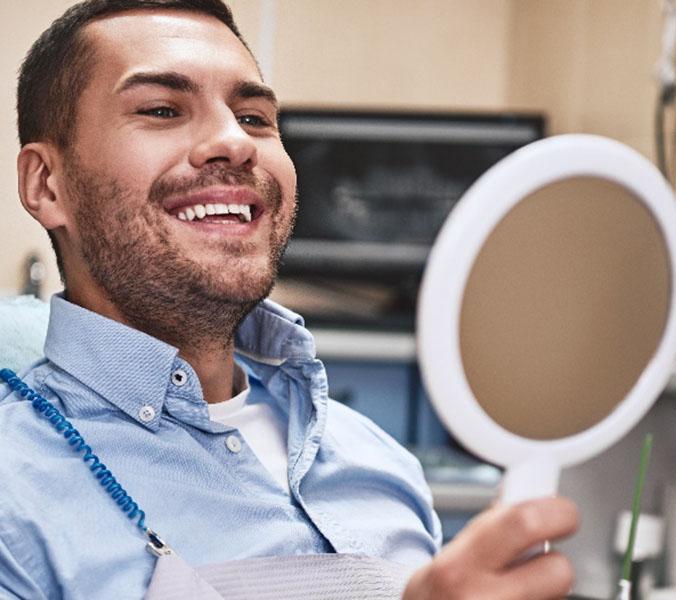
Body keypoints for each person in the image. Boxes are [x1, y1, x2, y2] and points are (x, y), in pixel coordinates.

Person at [0, 0, 579, 598]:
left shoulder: (379, 462)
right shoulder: (15, 493)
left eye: (254, 118)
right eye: (162, 109)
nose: (233, 140)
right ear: (47, 183)